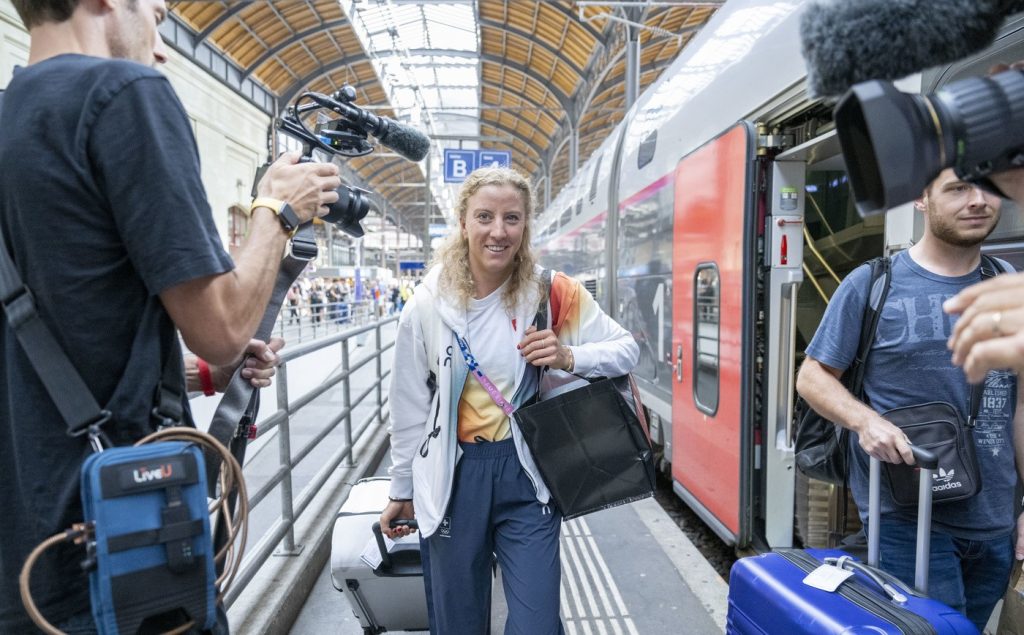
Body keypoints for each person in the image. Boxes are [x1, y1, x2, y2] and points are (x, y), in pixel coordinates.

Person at [0, 0, 341, 632]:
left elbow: (53, 335)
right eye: (156, 14)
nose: (160, 43)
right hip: (121, 551)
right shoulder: (124, 95)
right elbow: (222, 329)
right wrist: (277, 209)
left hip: (22, 564)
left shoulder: (9, 120)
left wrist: (201, 377)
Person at [379, 166, 638, 634]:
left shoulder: (551, 291)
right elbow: (409, 406)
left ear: (525, 226)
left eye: (512, 219)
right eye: (484, 217)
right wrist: (402, 490)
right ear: (463, 223)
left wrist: (568, 354)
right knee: (458, 622)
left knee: (537, 624)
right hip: (454, 477)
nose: (498, 232)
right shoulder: (427, 305)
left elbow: (626, 349)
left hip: (528, 474)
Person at [796, 168, 1024, 630]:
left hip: (997, 518)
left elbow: (1021, 404)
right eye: (958, 188)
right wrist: (865, 423)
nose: (977, 200)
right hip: (907, 516)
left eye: (987, 188)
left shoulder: (1008, 284)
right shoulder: (873, 284)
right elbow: (812, 377)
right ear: (922, 199)